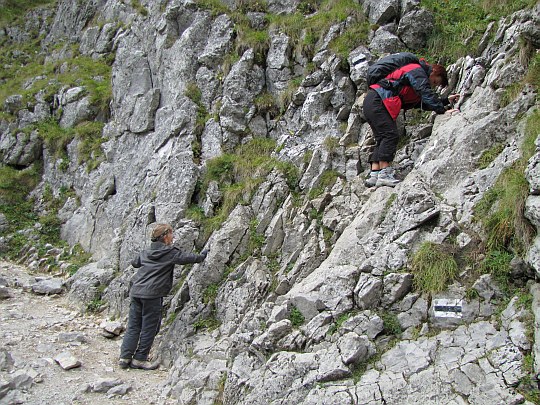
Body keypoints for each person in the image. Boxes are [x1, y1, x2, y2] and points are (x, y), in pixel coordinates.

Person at [119, 223, 208, 370]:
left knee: (134, 325)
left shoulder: (146, 251)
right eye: (171, 234)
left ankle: (125, 357)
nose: (173, 237)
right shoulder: (169, 253)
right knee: (149, 327)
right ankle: (139, 359)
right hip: (152, 294)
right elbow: (187, 258)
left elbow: (135, 263)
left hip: (136, 292)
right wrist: (202, 255)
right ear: (165, 236)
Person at [363, 53, 460, 188]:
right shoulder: (416, 70)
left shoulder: (407, 83)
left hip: (372, 100)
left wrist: (444, 101)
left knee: (382, 137)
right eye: (435, 81)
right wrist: (442, 111)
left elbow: (420, 102)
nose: (433, 85)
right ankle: (385, 174)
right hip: (378, 101)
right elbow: (424, 91)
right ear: (434, 72)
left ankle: (375, 174)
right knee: (390, 135)